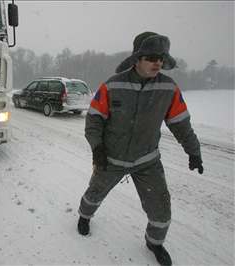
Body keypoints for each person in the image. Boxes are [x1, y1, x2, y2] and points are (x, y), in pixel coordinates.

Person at [77, 32, 203, 266]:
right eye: (152, 57)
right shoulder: (112, 85)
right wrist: (97, 148)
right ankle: (84, 216)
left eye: (161, 58)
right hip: (112, 158)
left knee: (161, 208)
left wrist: (193, 151)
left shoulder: (169, 88)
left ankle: (154, 243)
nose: (158, 63)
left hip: (147, 160)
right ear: (137, 58)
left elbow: (181, 123)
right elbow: (94, 120)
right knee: (94, 193)